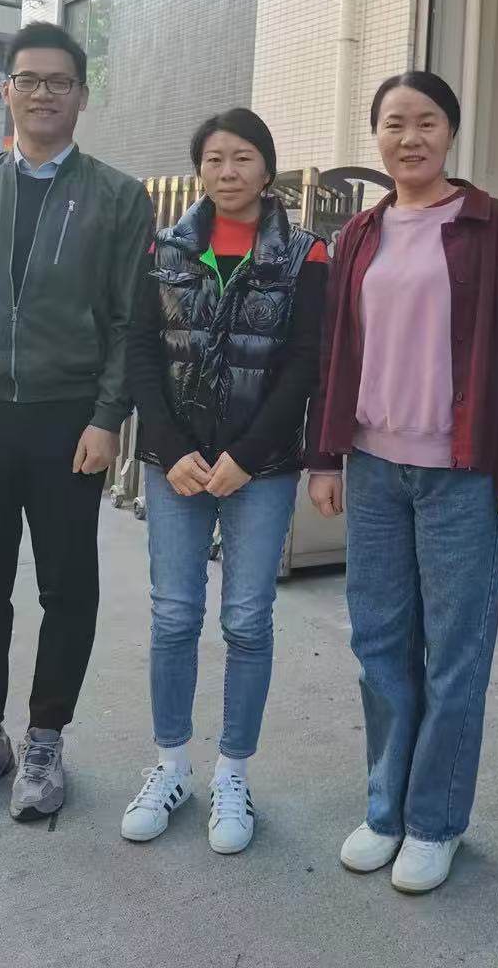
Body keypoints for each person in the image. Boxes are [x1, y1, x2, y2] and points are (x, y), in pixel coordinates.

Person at [307, 71, 498, 895]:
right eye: (393, 123)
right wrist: (325, 455)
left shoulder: (491, 226)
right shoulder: (361, 233)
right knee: (379, 643)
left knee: (455, 653)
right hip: (375, 470)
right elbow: (334, 351)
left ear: (450, 132)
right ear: (376, 135)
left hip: (463, 474)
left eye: (426, 122)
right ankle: (385, 811)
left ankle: (435, 821)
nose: (409, 138)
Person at [0, 22, 154, 823]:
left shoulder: (117, 197)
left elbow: (129, 322)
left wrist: (108, 417)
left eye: (60, 81)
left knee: (67, 585)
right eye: (30, 80)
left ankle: (45, 737)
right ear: (7, 91)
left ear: (82, 95)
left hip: (67, 421)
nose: (44, 93)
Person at [121, 108, 328, 853]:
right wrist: (169, 446)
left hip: (259, 469)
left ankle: (233, 774)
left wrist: (247, 454)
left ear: (267, 170)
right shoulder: (164, 248)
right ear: (199, 170)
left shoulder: (305, 255)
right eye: (214, 159)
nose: (228, 171)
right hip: (174, 466)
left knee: (246, 621)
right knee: (174, 617)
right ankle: (171, 765)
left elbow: (304, 364)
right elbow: (140, 350)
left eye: (242, 158)